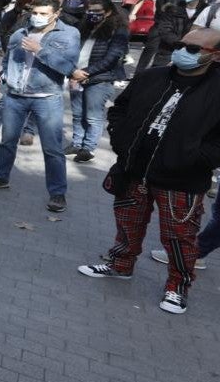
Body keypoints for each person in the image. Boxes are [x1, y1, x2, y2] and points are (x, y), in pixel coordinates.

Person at [78, 28, 220, 315]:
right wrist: (120, 139)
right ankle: (120, 265)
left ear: (215, 55)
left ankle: (177, 288)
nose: (183, 51)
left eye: (194, 49)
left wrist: (196, 158)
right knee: (128, 223)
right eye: (181, 45)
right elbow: (119, 109)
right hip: (134, 170)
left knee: (180, 236)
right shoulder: (151, 77)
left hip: (182, 179)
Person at [0, 0, 81, 212]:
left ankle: (57, 193)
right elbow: (8, 59)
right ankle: (0, 177)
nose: (38, 16)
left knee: (52, 148)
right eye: (35, 12)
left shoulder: (69, 34)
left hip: (47, 98)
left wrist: (39, 50)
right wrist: (5, 77)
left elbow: (68, 66)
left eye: (44, 13)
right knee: (7, 141)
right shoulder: (20, 33)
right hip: (15, 96)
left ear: (56, 13)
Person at [66, 0, 129, 163]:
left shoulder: (118, 30)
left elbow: (111, 58)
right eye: (90, 10)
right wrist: (72, 72)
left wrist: (85, 73)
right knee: (78, 114)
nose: (92, 14)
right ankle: (77, 143)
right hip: (76, 76)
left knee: (93, 116)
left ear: (108, 12)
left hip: (98, 79)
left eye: (97, 11)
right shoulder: (84, 27)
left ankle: (88, 148)